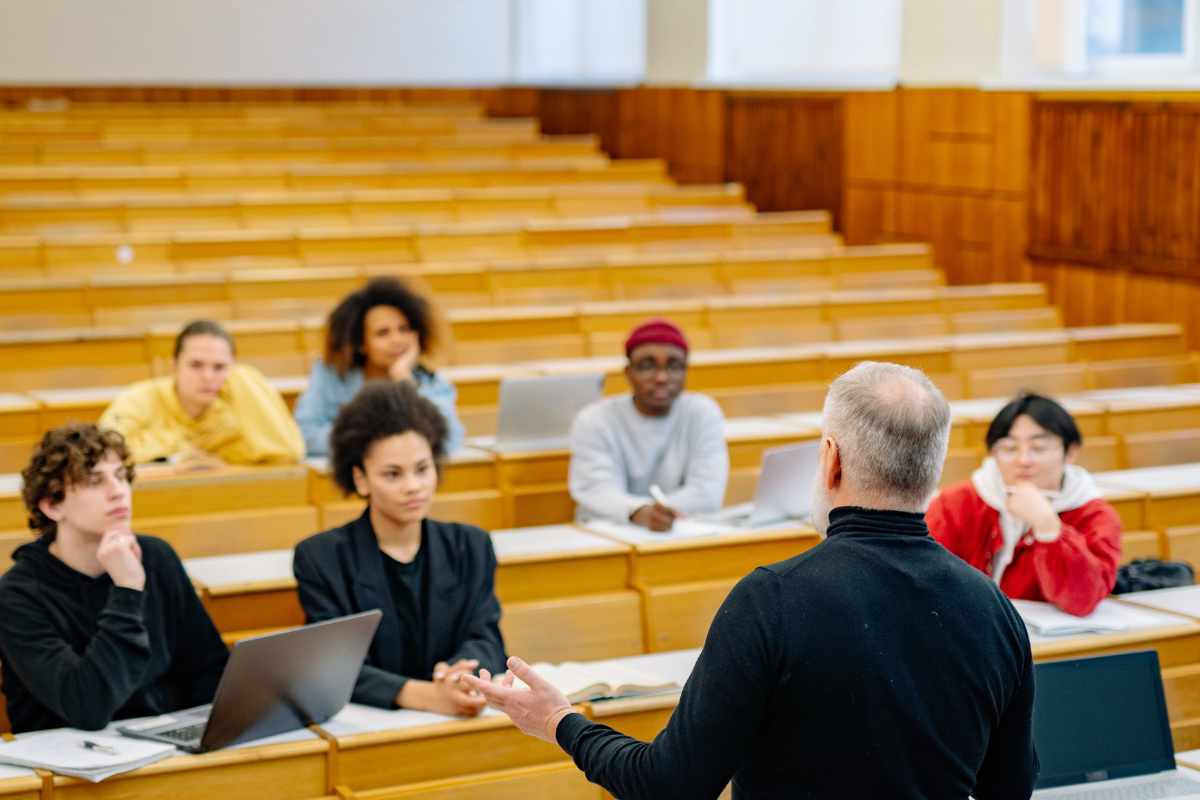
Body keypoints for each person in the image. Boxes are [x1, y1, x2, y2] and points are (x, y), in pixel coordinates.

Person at [466, 361, 1038, 799]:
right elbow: (1010, 788)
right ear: (932, 469)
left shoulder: (773, 599)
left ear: (830, 459)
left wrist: (560, 722)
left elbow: (671, 786)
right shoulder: (993, 608)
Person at [292, 380, 504, 715]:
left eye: (423, 469)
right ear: (360, 479)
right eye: (392, 474)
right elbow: (333, 668)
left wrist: (459, 674)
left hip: (456, 718)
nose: (413, 487)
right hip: (368, 725)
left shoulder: (471, 546)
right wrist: (426, 696)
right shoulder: (321, 558)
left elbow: (487, 639)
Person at [0, 424, 229, 733]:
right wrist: (127, 590)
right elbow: (88, 706)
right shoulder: (17, 595)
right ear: (53, 505)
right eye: (95, 482)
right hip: (70, 766)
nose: (118, 491)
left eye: (121, 476)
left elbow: (209, 669)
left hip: (164, 748)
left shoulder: (157, 557)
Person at [927, 392, 1122, 617]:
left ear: (1070, 452)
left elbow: (1082, 601)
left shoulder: (1095, 515)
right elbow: (928, 579)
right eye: (1009, 448)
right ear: (993, 453)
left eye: (1038, 448)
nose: (1024, 461)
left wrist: (1049, 528)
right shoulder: (957, 503)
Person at [568, 318, 728, 532]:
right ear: (628, 372)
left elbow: (707, 491)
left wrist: (660, 514)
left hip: (683, 532)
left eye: (674, 366)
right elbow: (595, 489)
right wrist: (639, 511)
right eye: (647, 366)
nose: (661, 377)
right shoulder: (594, 419)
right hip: (611, 533)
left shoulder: (702, 412)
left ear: (685, 371)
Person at [294, 277, 464, 457]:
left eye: (404, 329)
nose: (397, 340)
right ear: (361, 344)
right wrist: (379, 442)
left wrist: (404, 379)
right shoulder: (332, 375)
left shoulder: (428, 380)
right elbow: (305, 435)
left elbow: (449, 439)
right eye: (383, 333)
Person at [99, 319, 304, 466]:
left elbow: (287, 453)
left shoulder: (230, 414)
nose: (207, 376)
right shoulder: (139, 399)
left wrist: (243, 377)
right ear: (174, 367)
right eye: (196, 365)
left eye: (219, 367)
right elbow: (104, 451)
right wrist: (183, 450)